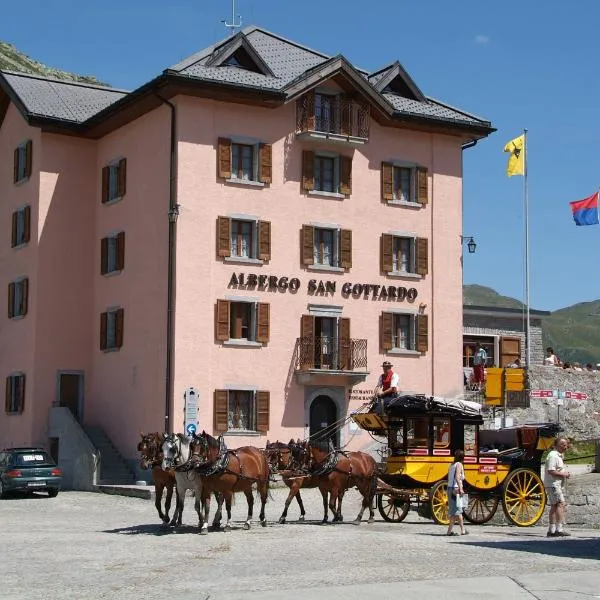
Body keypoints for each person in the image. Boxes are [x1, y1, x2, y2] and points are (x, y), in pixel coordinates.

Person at [544, 437, 571, 537]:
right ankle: (558, 529)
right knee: (560, 504)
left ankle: (551, 530)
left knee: (555, 505)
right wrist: (564, 474)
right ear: (556, 445)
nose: (565, 446)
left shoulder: (558, 455)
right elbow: (551, 471)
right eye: (563, 444)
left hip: (555, 484)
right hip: (553, 484)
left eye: (566, 444)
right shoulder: (553, 456)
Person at [446, 449, 468, 536]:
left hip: (449, 488)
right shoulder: (459, 465)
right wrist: (461, 488)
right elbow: (457, 477)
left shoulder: (451, 465)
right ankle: (462, 530)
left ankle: (451, 531)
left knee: (455, 511)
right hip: (456, 489)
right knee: (458, 510)